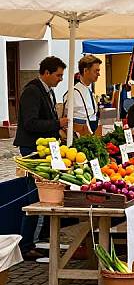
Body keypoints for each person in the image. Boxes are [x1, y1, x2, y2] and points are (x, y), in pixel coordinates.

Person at [13, 56, 69, 259]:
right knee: (34, 197)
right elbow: (30, 123)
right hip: (32, 149)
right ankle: (26, 244)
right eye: (58, 75)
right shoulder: (32, 91)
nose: (60, 79)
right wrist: (57, 123)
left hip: (44, 148)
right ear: (46, 72)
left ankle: (40, 237)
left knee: (42, 195)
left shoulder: (47, 91)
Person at [64, 54, 102, 134]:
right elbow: (69, 120)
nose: (99, 74)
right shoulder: (73, 93)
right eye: (96, 71)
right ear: (85, 71)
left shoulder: (88, 90)